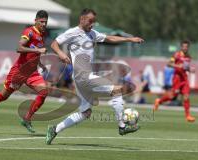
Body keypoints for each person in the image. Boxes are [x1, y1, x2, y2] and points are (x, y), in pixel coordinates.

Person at [45, 8, 144, 145]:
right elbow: (54, 44)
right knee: (116, 90)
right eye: (90, 21)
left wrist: (130, 39)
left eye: (94, 22)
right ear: (82, 19)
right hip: (83, 75)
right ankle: (122, 126)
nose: (92, 24)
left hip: (81, 78)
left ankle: (54, 129)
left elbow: (110, 38)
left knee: (85, 113)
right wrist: (61, 54)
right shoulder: (73, 32)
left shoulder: (92, 33)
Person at [0, 10, 49, 133]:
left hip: (32, 72)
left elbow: (33, 53)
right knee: (3, 96)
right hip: (19, 72)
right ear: (35, 21)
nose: (44, 24)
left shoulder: (42, 35)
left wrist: (40, 64)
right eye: (41, 22)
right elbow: (19, 48)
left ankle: (27, 119)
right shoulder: (29, 32)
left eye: (45, 22)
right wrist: (38, 51)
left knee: (44, 92)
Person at [154, 40, 196, 122]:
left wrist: (191, 69)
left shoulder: (189, 57)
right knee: (173, 96)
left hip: (184, 79)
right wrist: (177, 65)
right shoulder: (176, 55)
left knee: (186, 96)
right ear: (181, 47)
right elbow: (169, 64)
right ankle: (159, 101)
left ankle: (188, 116)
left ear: (188, 47)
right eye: (183, 46)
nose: (185, 48)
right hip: (177, 78)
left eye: (186, 47)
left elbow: (186, 68)